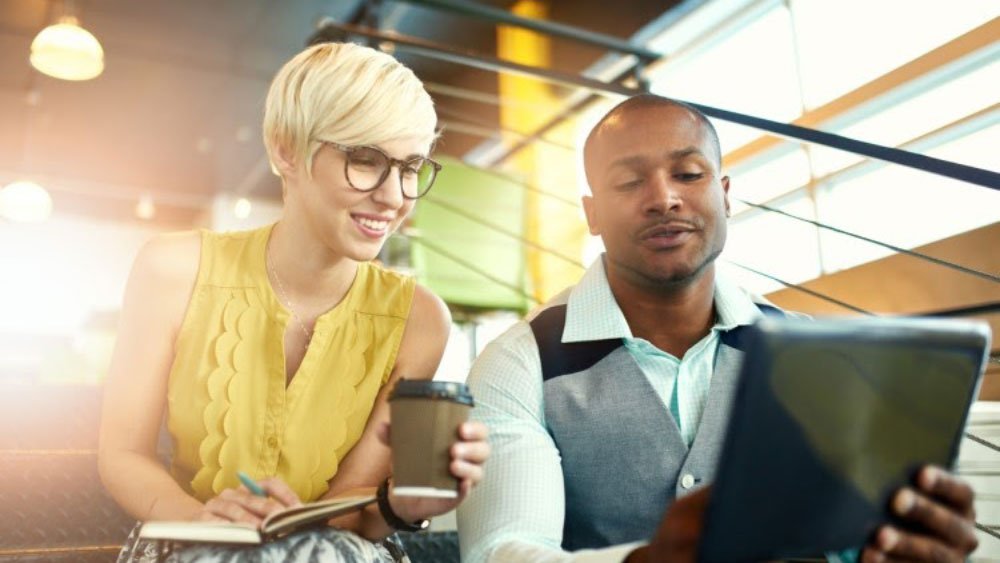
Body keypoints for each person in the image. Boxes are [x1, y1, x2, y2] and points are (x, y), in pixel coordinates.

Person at [457, 94, 979, 563]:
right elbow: (500, 551)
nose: (663, 198)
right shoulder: (519, 362)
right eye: (629, 181)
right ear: (592, 215)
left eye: (688, 174)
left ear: (725, 195)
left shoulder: (811, 357)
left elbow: (846, 542)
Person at [99, 41, 489, 563]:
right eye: (366, 160)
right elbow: (123, 454)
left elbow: (349, 508)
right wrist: (199, 518)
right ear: (286, 150)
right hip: (191, 537)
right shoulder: (172, 269)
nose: (394, 195)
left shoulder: (419, 319)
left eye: (410, 167)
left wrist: (404, 504)